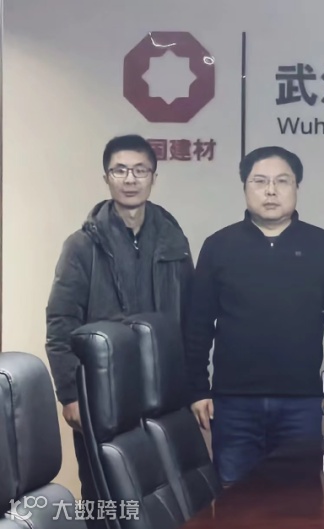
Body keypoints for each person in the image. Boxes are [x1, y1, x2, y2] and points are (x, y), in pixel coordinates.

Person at [45, 134, 194, 523]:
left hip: (164, 393)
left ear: (154, 177)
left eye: (140, 170)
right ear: (106, 177)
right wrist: (70, 394)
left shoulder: (174, 240)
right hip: (102, 394)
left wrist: (194, 387)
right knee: (104, 495)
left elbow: (190, 317)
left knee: (162, 494)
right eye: (120, 170)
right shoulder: (82, 245)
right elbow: (60, 321)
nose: (130, 179)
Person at [184, 146, 324, 485]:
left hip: (301, 401)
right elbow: (198, 324)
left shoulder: (323, 245)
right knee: (234, 496)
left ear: (296, 187)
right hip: (233, 402)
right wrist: (198, 389)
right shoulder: (219, 245)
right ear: (245, 187)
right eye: (260, 181)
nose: (270, 191)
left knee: (298, 497)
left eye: (281, 181)